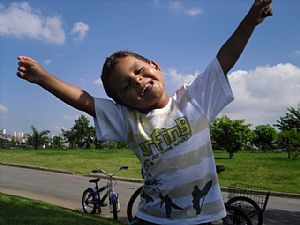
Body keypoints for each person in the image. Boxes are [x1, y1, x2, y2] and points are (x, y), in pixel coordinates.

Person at [16, 1, 272, 224]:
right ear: (121, 102)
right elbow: (85, 102)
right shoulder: (127, 120)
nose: (138, 81)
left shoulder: (193, 100)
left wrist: (249, 22)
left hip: (205, 218)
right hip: (152, 218)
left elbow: (224, 60)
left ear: (156, 67)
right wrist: (43, 78)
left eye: (139, 71)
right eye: (126, 85)